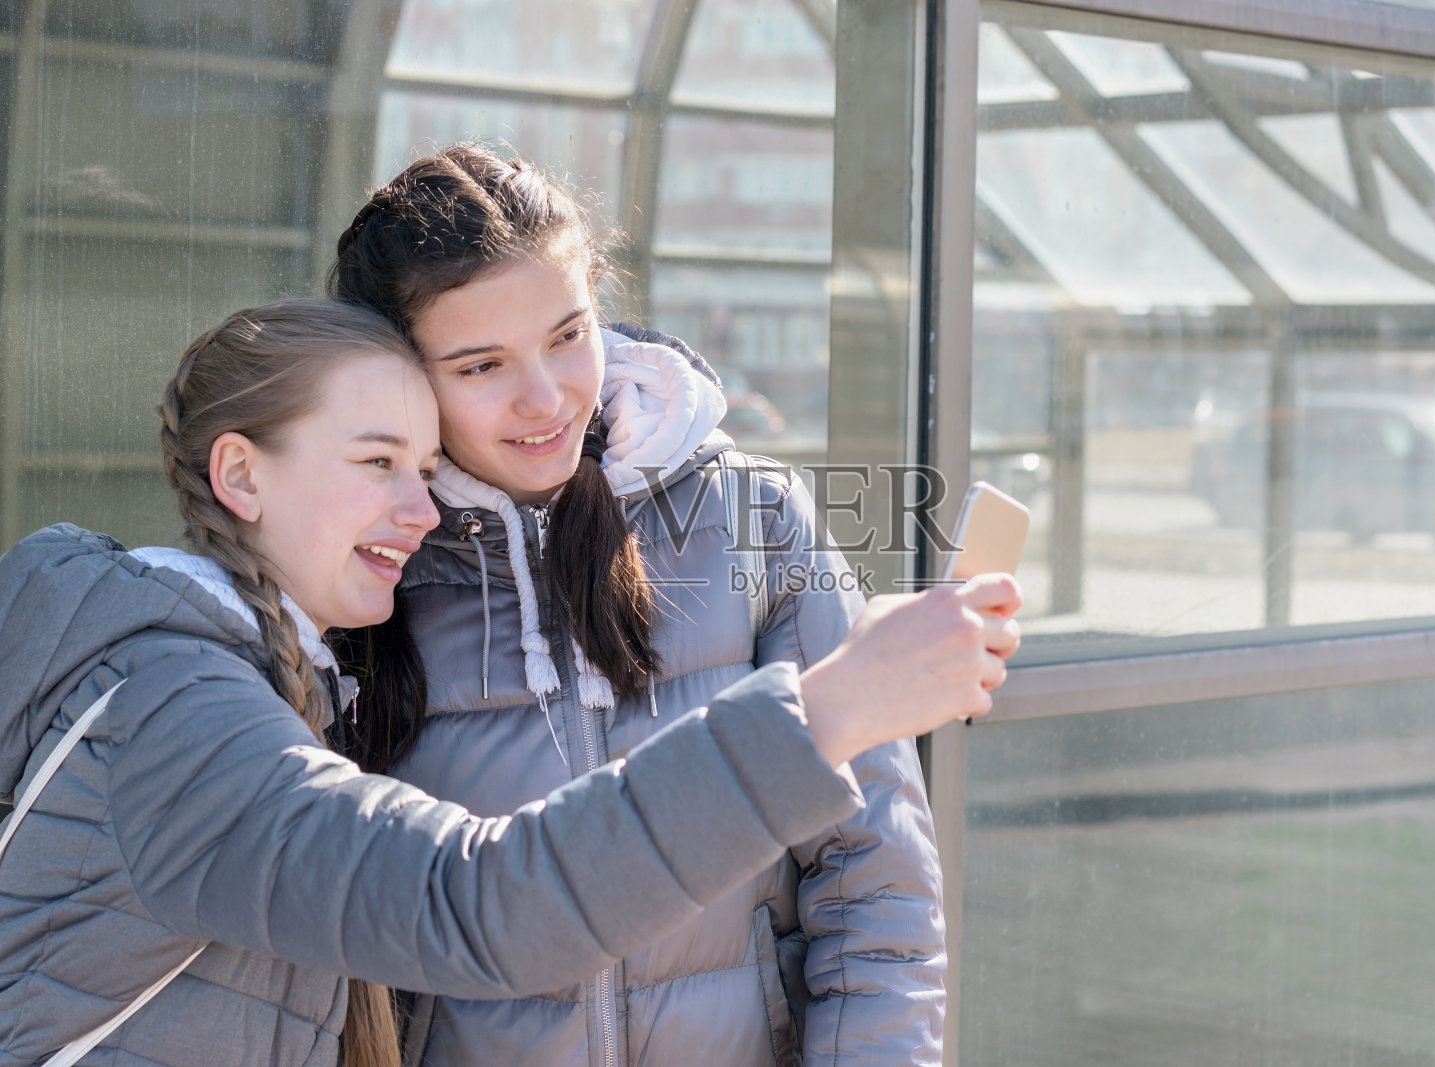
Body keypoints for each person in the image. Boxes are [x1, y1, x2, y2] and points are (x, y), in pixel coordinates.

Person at [0, 299, 1022, 1067]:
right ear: (241, 475)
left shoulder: (261, 671)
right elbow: (477, 903)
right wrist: (837, 704)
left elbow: (875, 894)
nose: (420, 508)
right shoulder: (173, 717)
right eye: (376, 462)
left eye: (427, 466)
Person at [327, 144, 947, 1067]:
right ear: (400, 376)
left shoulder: (752, 519)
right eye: (481, 364)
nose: (545, 399)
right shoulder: (359, 564)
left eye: (567, 336)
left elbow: (877, 875)